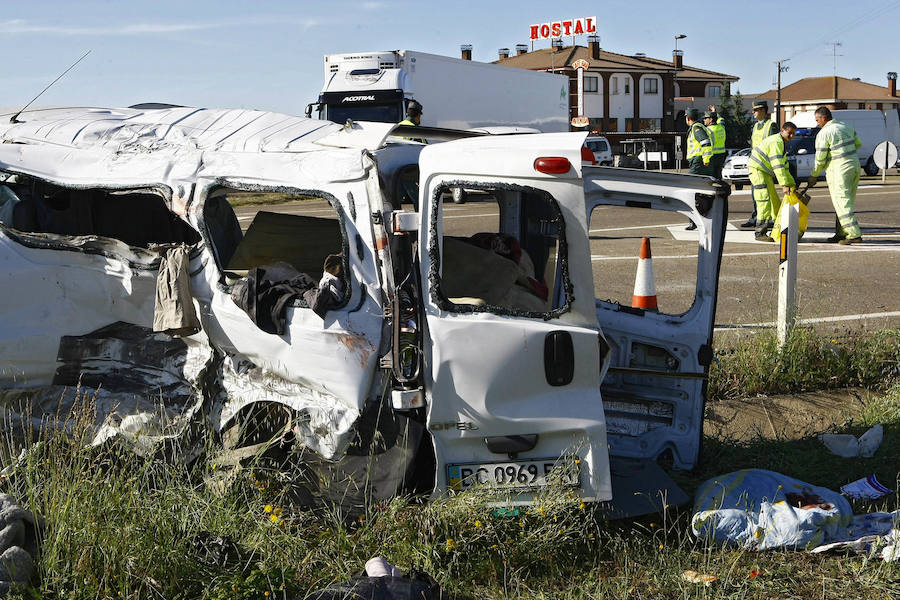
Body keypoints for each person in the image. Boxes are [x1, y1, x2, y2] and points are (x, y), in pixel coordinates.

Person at [806, 106, 863, 245]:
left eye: (817, 120)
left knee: (841, 201)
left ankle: (854, 234)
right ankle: (841, 232)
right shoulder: (846, 126)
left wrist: (814, 175)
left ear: (824, 118)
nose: (817, 123)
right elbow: (858, 144)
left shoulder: (824, 133)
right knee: (847, 202)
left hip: (839, 169)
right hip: (854, 166)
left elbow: (820, 158)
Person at [748, 122, 797, 241]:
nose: (791, 136)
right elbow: (778, 166)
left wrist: (792, 184)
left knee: (774, 199)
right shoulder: (777, 142)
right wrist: (785, 184)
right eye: (789, 133)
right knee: (763, 200)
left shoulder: (781, 143)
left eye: (793, 134)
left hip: (763, 171)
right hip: (757, 170)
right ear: (782, 130)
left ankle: (778, 227)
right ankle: (760, 232)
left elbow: (784, 167)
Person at [742, 100, 779, 229]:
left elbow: (774, 146)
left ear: (763, 111)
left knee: (765, 194)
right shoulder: (755, 126)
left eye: (756, 110)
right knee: (756, 194)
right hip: (755, 165)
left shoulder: (771, 125)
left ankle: (766, 218)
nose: (753, 113)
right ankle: (756, 216)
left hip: (765, 166)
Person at [684, 108, 713, 230]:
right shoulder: (699, 127)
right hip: (698, 162)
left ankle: (693, 221)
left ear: (688, 118)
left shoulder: (696, 128)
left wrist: (706, 159)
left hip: (698, 163)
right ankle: (701, 217)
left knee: (690, 193)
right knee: (700, 192)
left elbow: (705, 143)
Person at [704, 109, 727, 179]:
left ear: (710, 119)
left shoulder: (708, 130)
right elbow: (721, 120)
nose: (704, 120)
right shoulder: (721, 127)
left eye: (705, 118)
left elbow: (706, 145)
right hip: (722, 155)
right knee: (718, 175)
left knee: (712, 177)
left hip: (713, 156)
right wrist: (715, 112)